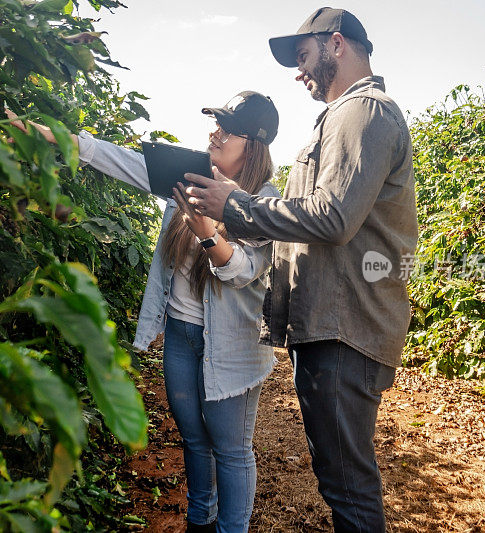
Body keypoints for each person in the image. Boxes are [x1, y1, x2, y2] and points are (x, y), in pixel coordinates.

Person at [182, 8, 418, 533]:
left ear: (337, 44)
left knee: (348, 487)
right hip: (330, 327)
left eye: (304, 55)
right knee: (341, 480)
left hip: (345, 327)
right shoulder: (340, 118)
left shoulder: (364, 114)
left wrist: (236, 206)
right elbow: (305, 221)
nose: (298, 70)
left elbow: (332, 218)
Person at [7, 91, 280, 533]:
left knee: (231, 449)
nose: (215, 133)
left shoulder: (266, 201)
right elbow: (114, 158)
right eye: (216, 123)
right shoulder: (186, 175)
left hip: (233, 343)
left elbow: (245, 271)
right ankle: (199, 521)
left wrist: (210, 235)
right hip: (180, 333)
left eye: (227, 129)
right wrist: (49, 134)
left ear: (253, 144)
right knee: (194, 439)